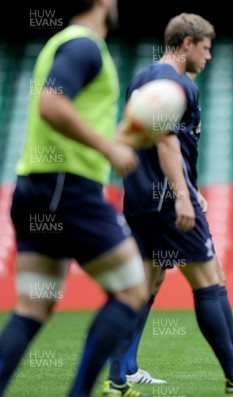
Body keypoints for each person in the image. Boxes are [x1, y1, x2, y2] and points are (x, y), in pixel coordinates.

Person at [104, 13, 233, 395]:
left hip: (140, 197)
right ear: (187, 43)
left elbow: (140, 136)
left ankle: (119, 376)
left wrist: (186, 186)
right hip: (168, 200)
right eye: (206, 48)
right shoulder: (172, 84)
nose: (209, 56)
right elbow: (166, 141)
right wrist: (182, 196)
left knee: (143, 285)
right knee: (210, 278)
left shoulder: (143, 77)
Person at [0, 0, 149, 396]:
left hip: (36, 187)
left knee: (33, 307)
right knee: (132, 291)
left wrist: (122, 139)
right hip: (67, 189)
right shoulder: (85, 45)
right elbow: (52, 104)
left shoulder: (61, 42)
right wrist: (108, 148)